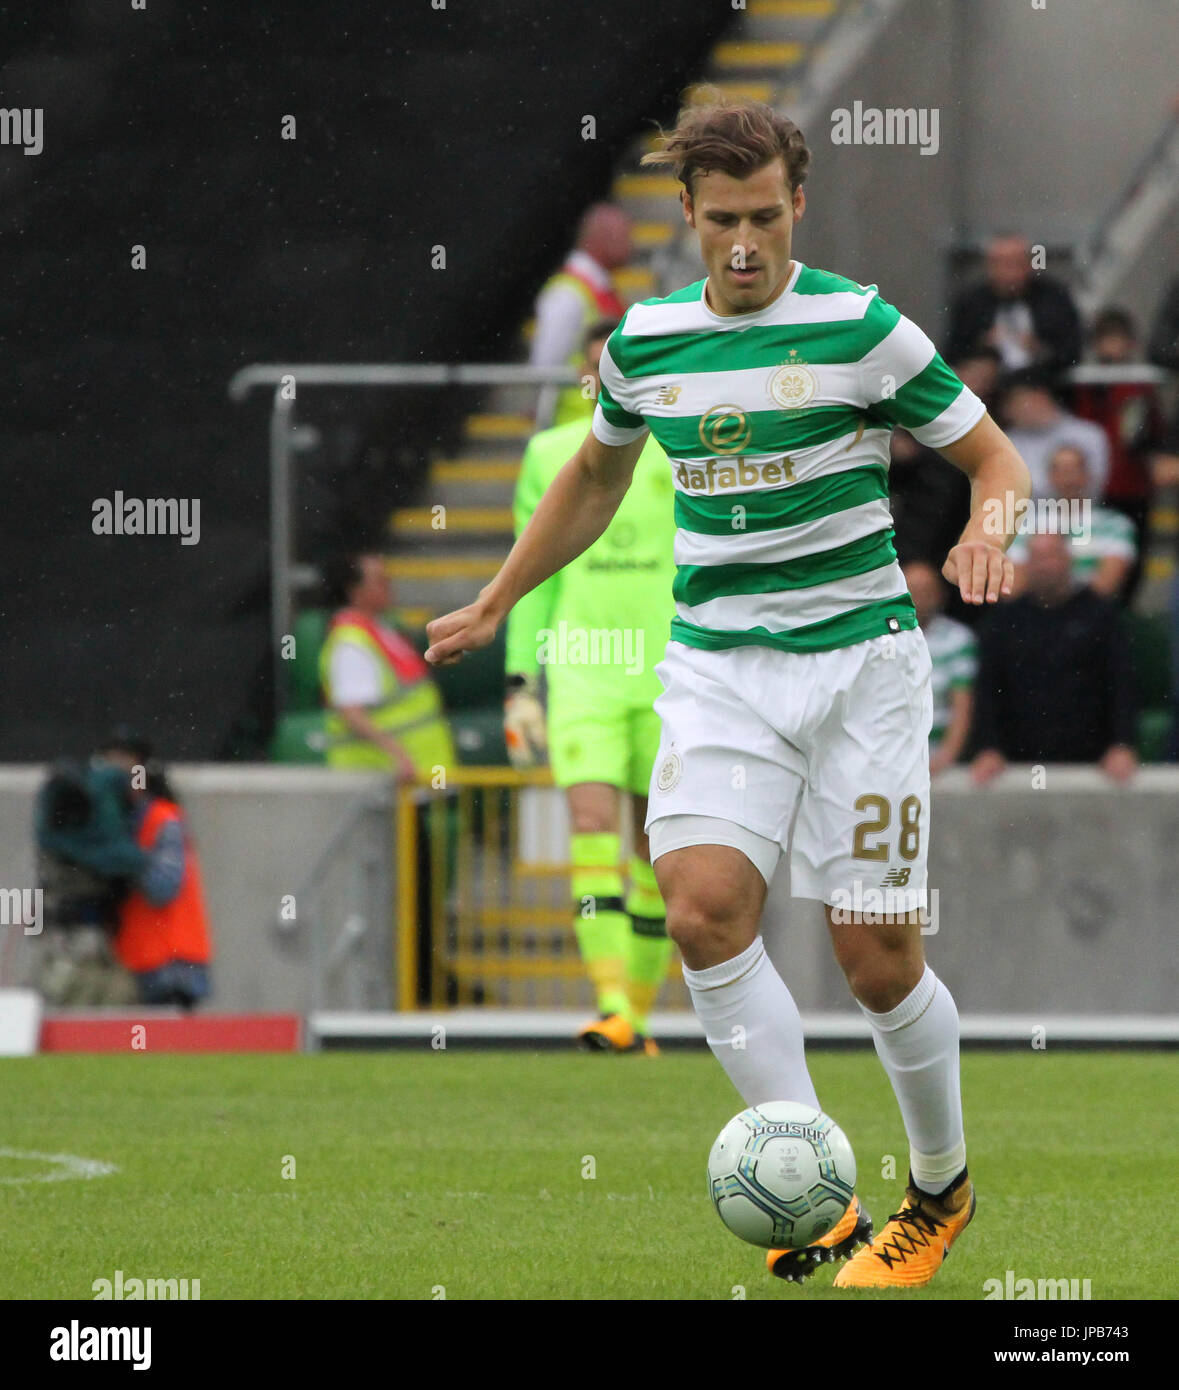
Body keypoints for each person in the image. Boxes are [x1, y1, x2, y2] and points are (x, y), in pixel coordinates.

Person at [425, 94, 1033, 1291]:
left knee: (877, 960)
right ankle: (822, 1199)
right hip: (717, 668)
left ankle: (940, 1187)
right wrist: (499, 600)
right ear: (689, 216)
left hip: (864, 668)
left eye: (765, 217)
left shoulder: (863, 328)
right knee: (702, 910)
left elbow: (995, 460)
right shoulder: (645, 343)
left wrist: (990, 530)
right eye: (722, 222)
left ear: (797, 204)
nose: (745, 244)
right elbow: (594, 484)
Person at [505, 318, 677, 1055]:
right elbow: (531, 570)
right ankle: (609, 1001)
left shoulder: (682, 446)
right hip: (582, 669)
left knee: (658, 850)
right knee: (589, 825)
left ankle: (633, 1015)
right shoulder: (550, 455)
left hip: (674, 674)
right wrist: (520, 681)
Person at [970, 533, 1138, 785]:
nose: (1044, 566)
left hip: (1093, 758)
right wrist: (988, 747)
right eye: (1037, 558)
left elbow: (1122, 683)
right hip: (1017, 760)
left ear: (1068, 560)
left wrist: (1122, 744)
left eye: (1051, 557)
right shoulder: (1004, 621)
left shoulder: (1101, 615)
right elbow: (987, 688)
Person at [97, 731, 215, 1008]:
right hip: (133, 960)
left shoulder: (163, 819)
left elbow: (163, 887)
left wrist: (125, 853)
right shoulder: (114, 825)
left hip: (171, 966)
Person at [319, 553, 455, 779]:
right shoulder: (351, 642)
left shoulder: (382, 629)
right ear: (355, 590)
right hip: (385, 783)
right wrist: (398, 756)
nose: (389, 586)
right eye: (380, 580)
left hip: (416, 779)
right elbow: (352, 712)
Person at [529, 203, 633, 429]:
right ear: (600, 238)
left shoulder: (599, 288)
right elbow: (545, 366)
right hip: (574, 427)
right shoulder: (567, 293)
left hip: (597, 424)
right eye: (624, 235)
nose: (631, 244)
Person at [1007, 445, 1137, 600]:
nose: (1068, 478)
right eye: (1060, 471)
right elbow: (1014, 588)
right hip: (1033, 613)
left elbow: (1106, 587)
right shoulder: (1024, 524)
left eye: (1074, 470)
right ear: (1049, 477)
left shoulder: (1116, 525)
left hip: (1089, 616)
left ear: (1088, 475)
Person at [945, 232, 1083, 372]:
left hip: (1039, 380)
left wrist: (1040, 350)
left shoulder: (1053, 298)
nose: (1008, 273)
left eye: (1015, 263)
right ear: (989, 266)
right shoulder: (971, 302)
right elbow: (952, 352)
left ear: (1029, 264)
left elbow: (1072, 350)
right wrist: (981, 348)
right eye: (1000, 264)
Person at [903, 560, 976, 776]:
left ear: (940, 595)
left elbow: (963, 706)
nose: (919, 598)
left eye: (926, 591)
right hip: (891, 756)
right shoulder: (880, 637)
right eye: (912, 590)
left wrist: (945, 758)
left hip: (939, 759)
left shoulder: (958, 639)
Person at [998, 366, 1111, 499]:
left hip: (1082, 516)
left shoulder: (1090, 434)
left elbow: (1091, 487)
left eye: (1015, 402)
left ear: (1040, 396)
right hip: (1023, 518)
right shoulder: (1005, 441)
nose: (1008, 412)